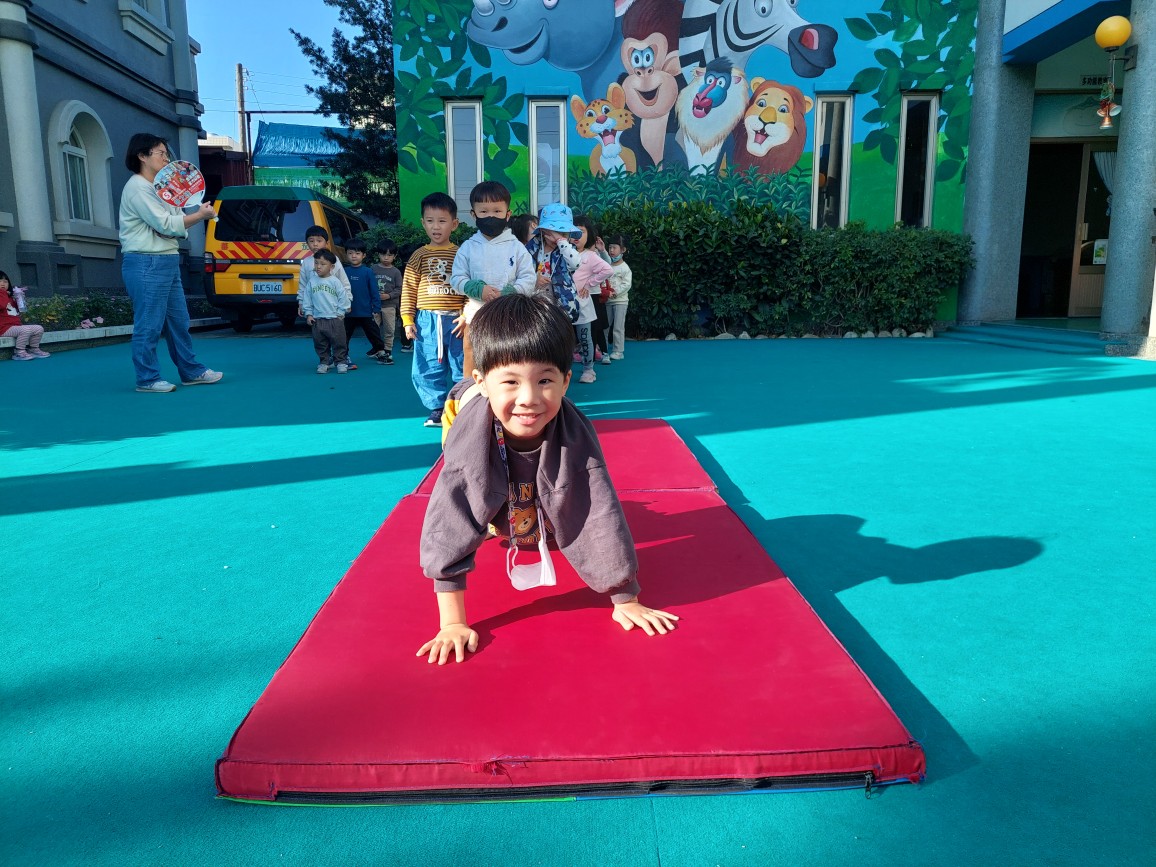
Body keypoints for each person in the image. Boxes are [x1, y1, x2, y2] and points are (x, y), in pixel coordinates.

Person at [417, 295, 678, 664]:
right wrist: (453, 623)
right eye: (511, 381)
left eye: (544, 380)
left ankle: (488, 348)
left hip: (494, 400)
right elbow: (450, 519)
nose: (529, 398)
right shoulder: (469, 441)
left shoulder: (575, 435)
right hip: (463, 406)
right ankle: (477, 350)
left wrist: (625, 598)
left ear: (566, 381)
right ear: (486, 382)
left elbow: (597, 511)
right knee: (478, 493)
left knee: (543, 511)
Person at [118, 133, 221, 393]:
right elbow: (167, 225)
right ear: (142, 156)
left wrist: (185, 222)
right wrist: (199, 216)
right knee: (149, 324)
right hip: (146, 261)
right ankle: (147, 379)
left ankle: (191, 371)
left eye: (166, 153)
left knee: (179, 322)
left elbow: (176, 227)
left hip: (166, 260)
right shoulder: (138, 187)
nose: (166, 159)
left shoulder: (162, 188)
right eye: (161, 153)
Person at [450, 181, 535, 374]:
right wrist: (477, 289)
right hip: (475, 316)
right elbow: (456, 278)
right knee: (471, 355)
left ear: (507, 214)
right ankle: (470, 390)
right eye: (484, 211)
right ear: (474, 215)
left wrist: (510, 293)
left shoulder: (516, 247)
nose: (491, 216)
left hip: (509, 316)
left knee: (508, 360)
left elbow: (528, 278)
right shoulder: (468, 247)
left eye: (497, 211)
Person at [401, 193, 465, 428]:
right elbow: (409, 288)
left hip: (457, 321)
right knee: (428, 365)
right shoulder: (419, 255)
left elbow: (468, 287)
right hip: (427, 320)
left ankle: (461, 405)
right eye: (430, 221)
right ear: (423, 223)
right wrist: (408, 320)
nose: (435, 227)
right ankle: (437, 408)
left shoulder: (461, 253)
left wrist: (466, 314)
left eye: (442, 221)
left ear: (454, 224)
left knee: (462, 363)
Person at [570, 216, 613, 383]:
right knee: (564, 339)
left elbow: (607, 270)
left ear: (589, 235)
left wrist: (588, 284)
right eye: (572, 231)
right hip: (562, 306)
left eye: (581, 232)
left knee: (585, 338)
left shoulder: (590, 256)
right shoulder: (561, 253)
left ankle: (589, 370)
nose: (576, 235)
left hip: (582, 305)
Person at [524, 203, 582, 325]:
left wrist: (561, 240)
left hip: (562, 307)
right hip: (537, 306)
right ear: (543, 232)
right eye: (553, 233)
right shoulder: (532, 248)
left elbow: (575, 264)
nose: (557, 238)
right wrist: (534, 279)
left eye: (564, 234)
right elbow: (523, 271)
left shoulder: (567, 250)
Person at [301, 249, 351, 374]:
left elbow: (343, 298)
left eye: (323, 264)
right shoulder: (312, 281)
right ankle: (324, 362)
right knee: (320, 343)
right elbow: (307, 299)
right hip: (318, 319)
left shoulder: (335, 281)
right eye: (316, 263)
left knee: (339, 341)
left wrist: (341, 313)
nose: (318, 266)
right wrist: (309, 314)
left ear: (331, 267)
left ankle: (341, 362)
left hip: (335, 318)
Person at [342, 238, 386, 363]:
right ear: (346, 255)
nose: (353, 256)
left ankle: (380, 351)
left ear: (364, 255)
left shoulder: (368, 272)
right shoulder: (343, 272)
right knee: (344, 336)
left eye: (357, 253)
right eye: (350, 253)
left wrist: (376, 308)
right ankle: (343, 356)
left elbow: (374, 291)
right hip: (348, 312)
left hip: (366, 311)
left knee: (373, 333)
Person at [298, 225, 350, 311]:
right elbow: (303, 285)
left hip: (333, 306)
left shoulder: (333, 259)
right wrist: (301, 302)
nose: (315, 244)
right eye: (311, 241)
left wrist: (347, 300)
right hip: (314, 307)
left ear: (327, 243)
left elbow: (343, 281)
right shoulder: (306, 262)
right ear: (307, 243)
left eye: (319, 241)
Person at [0, 271, 49, 360]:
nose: (3, 283)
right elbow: (2, 306)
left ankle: (34, 349)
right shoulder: (4, 296)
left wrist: (19, 298)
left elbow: (21, 310)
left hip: (14, 327)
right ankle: (19, 352)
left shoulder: (9, 297)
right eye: (0, 281)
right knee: (25, 330)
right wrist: (3, 293)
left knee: (38, 328)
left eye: (5, 281)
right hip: (3, 328)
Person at [372, 239, 403, 364]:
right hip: (374, 305)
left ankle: (388, 350)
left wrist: (389, 296)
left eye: (389, 255)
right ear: (378, 254)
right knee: (373, 328)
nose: (386, 258)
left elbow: (400, 288)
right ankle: (378, 349)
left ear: (394, 256)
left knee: (390, 329)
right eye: (383, 254)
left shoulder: (395, 272)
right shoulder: (373, 269)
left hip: (389, 305)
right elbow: (368, 285)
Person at [605, 234, 632, 360]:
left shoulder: (625, 268)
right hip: (607, 301)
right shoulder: (606, 265)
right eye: (610, 247)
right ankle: (603, 349)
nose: (611, 250)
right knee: (605, 326)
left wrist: (615, 292)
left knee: (618, 327)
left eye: (614, 248)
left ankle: (618, 351)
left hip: (620, 301)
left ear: (623, 250)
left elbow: (627, 284)